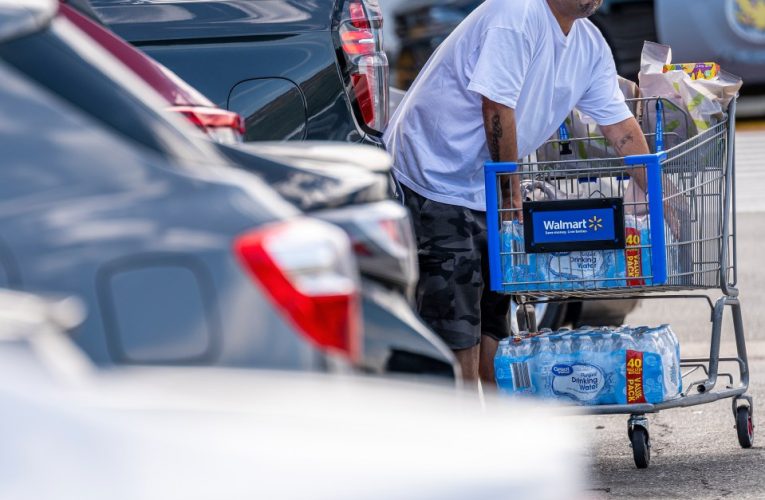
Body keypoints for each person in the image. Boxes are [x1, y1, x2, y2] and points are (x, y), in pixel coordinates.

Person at [383, 0, 653, 387]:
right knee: (457, 319)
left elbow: (620, 127)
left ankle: (494, 423)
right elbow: (496, 107)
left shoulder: (589, 43)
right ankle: (462, 428)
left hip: (484, 187)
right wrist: (509, 192)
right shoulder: (516, 14)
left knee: (494, 311)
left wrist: (663, 193)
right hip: (436, 174)